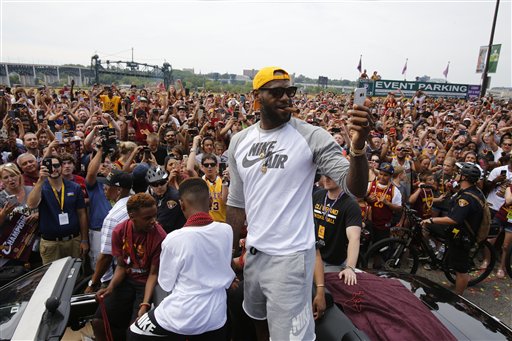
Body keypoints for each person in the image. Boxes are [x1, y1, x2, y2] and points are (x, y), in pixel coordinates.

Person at [226, 66, 370, 340]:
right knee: (258, 323)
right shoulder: (239, 141)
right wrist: (229, 255)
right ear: (256, 96)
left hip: (291, 259)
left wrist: (359, 148)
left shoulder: (311, 136)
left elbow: (356, 188)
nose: (286, 98)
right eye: (277, 92)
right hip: (254, 255)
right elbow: (236, 203)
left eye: (289, 91)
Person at [128, 178, 235, 340]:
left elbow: (166, 283)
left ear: (182, 205)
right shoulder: (226, 230)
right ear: (211, 200)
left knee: (133, 333)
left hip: (182, 316)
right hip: (217, 316)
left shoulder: (173, 239)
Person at [93, 193, 166, 341]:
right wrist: (110, 287)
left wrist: (145, 304)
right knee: (98, 321)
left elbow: (153, 275)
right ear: (132, 216)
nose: (153, 221)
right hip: (126, 280)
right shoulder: (119, 232)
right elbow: (121, 266)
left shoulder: (160, 236)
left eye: (154, 216)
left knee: (134, 331)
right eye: (147, 218)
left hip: (146, 285)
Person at [421, 162, 485, 295]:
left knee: (461, 270)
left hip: (462, 236)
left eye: (459, 173)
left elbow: (454, 219)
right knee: (432, 229)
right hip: (456, 232)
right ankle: (441, 254)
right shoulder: (468, 191)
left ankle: (458, 297)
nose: (456, 175)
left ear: (465, 177)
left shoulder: (467, 198)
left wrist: (431, 219)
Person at [26, 156, 89, 264]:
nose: (53, 169)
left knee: (75, 275)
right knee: (52, 278)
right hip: (51, 243)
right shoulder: (40, 187)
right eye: (49, 166)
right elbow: (31, 205)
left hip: (74, 240)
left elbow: (82, 214)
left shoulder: (74, 187)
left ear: (61, 167)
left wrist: (84, 240)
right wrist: (40, 180)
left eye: (56, 165)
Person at [85, 169, 133, 293]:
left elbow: (106, 256)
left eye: (107, 186)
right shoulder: (136, 203)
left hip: (121, 276)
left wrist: (93, 283)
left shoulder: (113, 218)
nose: (104, 188)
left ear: (118, 190)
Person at [313, 174, 361, 277]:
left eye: (331, 175)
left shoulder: (351, 204)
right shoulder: (317, 195)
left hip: (333, 262)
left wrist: (350, 267)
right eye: (325, 175)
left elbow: (354, 237)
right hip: (311, 256)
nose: (326, 178)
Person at [146, 166, 185, 233]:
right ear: (150, 186)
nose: (159, 187)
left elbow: (161, 225)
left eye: (162, 182)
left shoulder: (173, 198)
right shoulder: (156, 195)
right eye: (155, 184)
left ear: (167, 181)